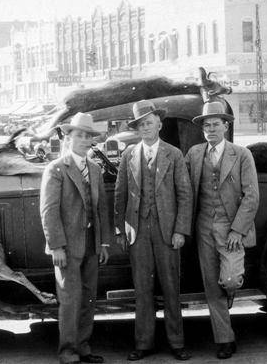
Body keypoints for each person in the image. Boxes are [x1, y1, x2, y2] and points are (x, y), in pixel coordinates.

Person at [114, 100, 193, 361]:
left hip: (168, 231)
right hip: (138, 231)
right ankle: (144, 343)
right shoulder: (128, 155)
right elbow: (120, 195)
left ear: (159, 124)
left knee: (171, 287)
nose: (145, 127)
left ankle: (177, 343)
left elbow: (184, 195)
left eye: (149, 122)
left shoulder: (174, 154)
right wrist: (121, 230)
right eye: (140, 125)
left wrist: (180, 229)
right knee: (142, 289)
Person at [184, 101, 259, 360]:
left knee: (229, 280)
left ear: (226, 126)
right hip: (204, 226)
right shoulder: (194, 154)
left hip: (231, 229)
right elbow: (183, 188)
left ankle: (229, 298)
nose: (211, 129)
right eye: (207, 125)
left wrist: (238, 230)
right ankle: (225, 339)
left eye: (216, 124)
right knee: (211, 286)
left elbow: (251, 196)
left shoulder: (241, 154)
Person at [40, 112, 112, 364]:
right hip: (67, 247)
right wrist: (56, 246)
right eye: (79, 135)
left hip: (92, 245)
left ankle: (83, 347)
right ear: (68, 138)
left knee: (88, 297)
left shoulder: (94, 169)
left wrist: (103, 242)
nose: (83, 140)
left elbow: (101, 208)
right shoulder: (56, 168)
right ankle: (67, 351)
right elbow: (48, 211)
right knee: (69, 300)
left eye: (88, 136)